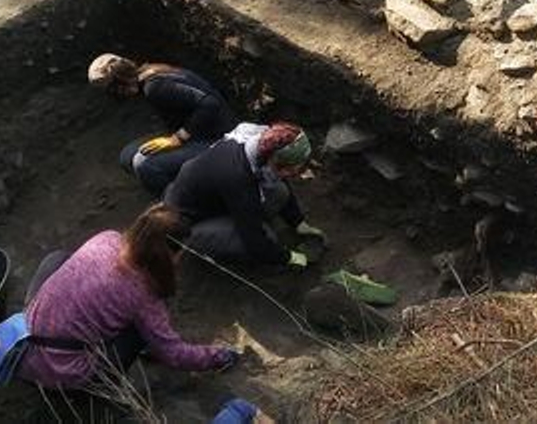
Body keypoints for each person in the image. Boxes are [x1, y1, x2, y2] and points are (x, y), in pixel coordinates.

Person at [16, 204, 239, 390]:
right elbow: (173, 354)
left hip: (19, 345)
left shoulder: (107, 238)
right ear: (166, 254)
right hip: (58, 373)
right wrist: (218, 356)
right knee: (138, 333)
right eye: (181, 253)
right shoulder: (144, 292)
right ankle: (90, 390)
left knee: (58, 258)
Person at [163, 122, 323, 266]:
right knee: (265, 239)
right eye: (291, 169)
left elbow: (280, 177)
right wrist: (290, 257)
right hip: (188, 223)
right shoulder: (239, 177)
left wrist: (298, 222)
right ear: (274, 161)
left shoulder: (262, 141)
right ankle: (207, 246)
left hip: (216, 198)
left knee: (280, 191)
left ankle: (239, 220)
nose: (294, 173)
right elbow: (255, 241)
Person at [87, 54, 237, 196]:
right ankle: (186, 182)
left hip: (220, 139)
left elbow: (210, 104)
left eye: (110, 91)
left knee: (145, 165)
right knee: (127, 156)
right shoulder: (150, 73)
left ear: (119, 85)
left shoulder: (156, 87)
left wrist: (178, 138)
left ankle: (179, 205)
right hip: (199, 134)